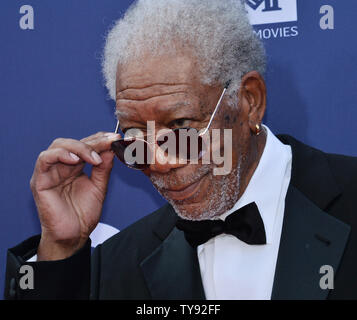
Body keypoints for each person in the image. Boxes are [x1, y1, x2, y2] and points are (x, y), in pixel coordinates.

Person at [4, 0, 357, 300]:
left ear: (249, 101)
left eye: (180, 129)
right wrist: (61, 249)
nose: (159, 163)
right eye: (135, 139)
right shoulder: (120, 261)